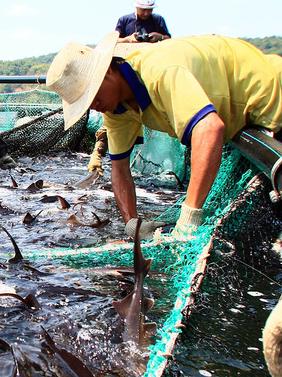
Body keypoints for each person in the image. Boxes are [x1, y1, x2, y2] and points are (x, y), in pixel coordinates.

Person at [47, 31, 282, 240]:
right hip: (238, 115)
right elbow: (119, 168)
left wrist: (189, 216)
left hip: (271, 97)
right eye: (85, 102)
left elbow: (210, 129)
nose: (93, 106)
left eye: (91, 95)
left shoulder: (159, 72)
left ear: (107, 69)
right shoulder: (115, 108)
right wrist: (132, 225)